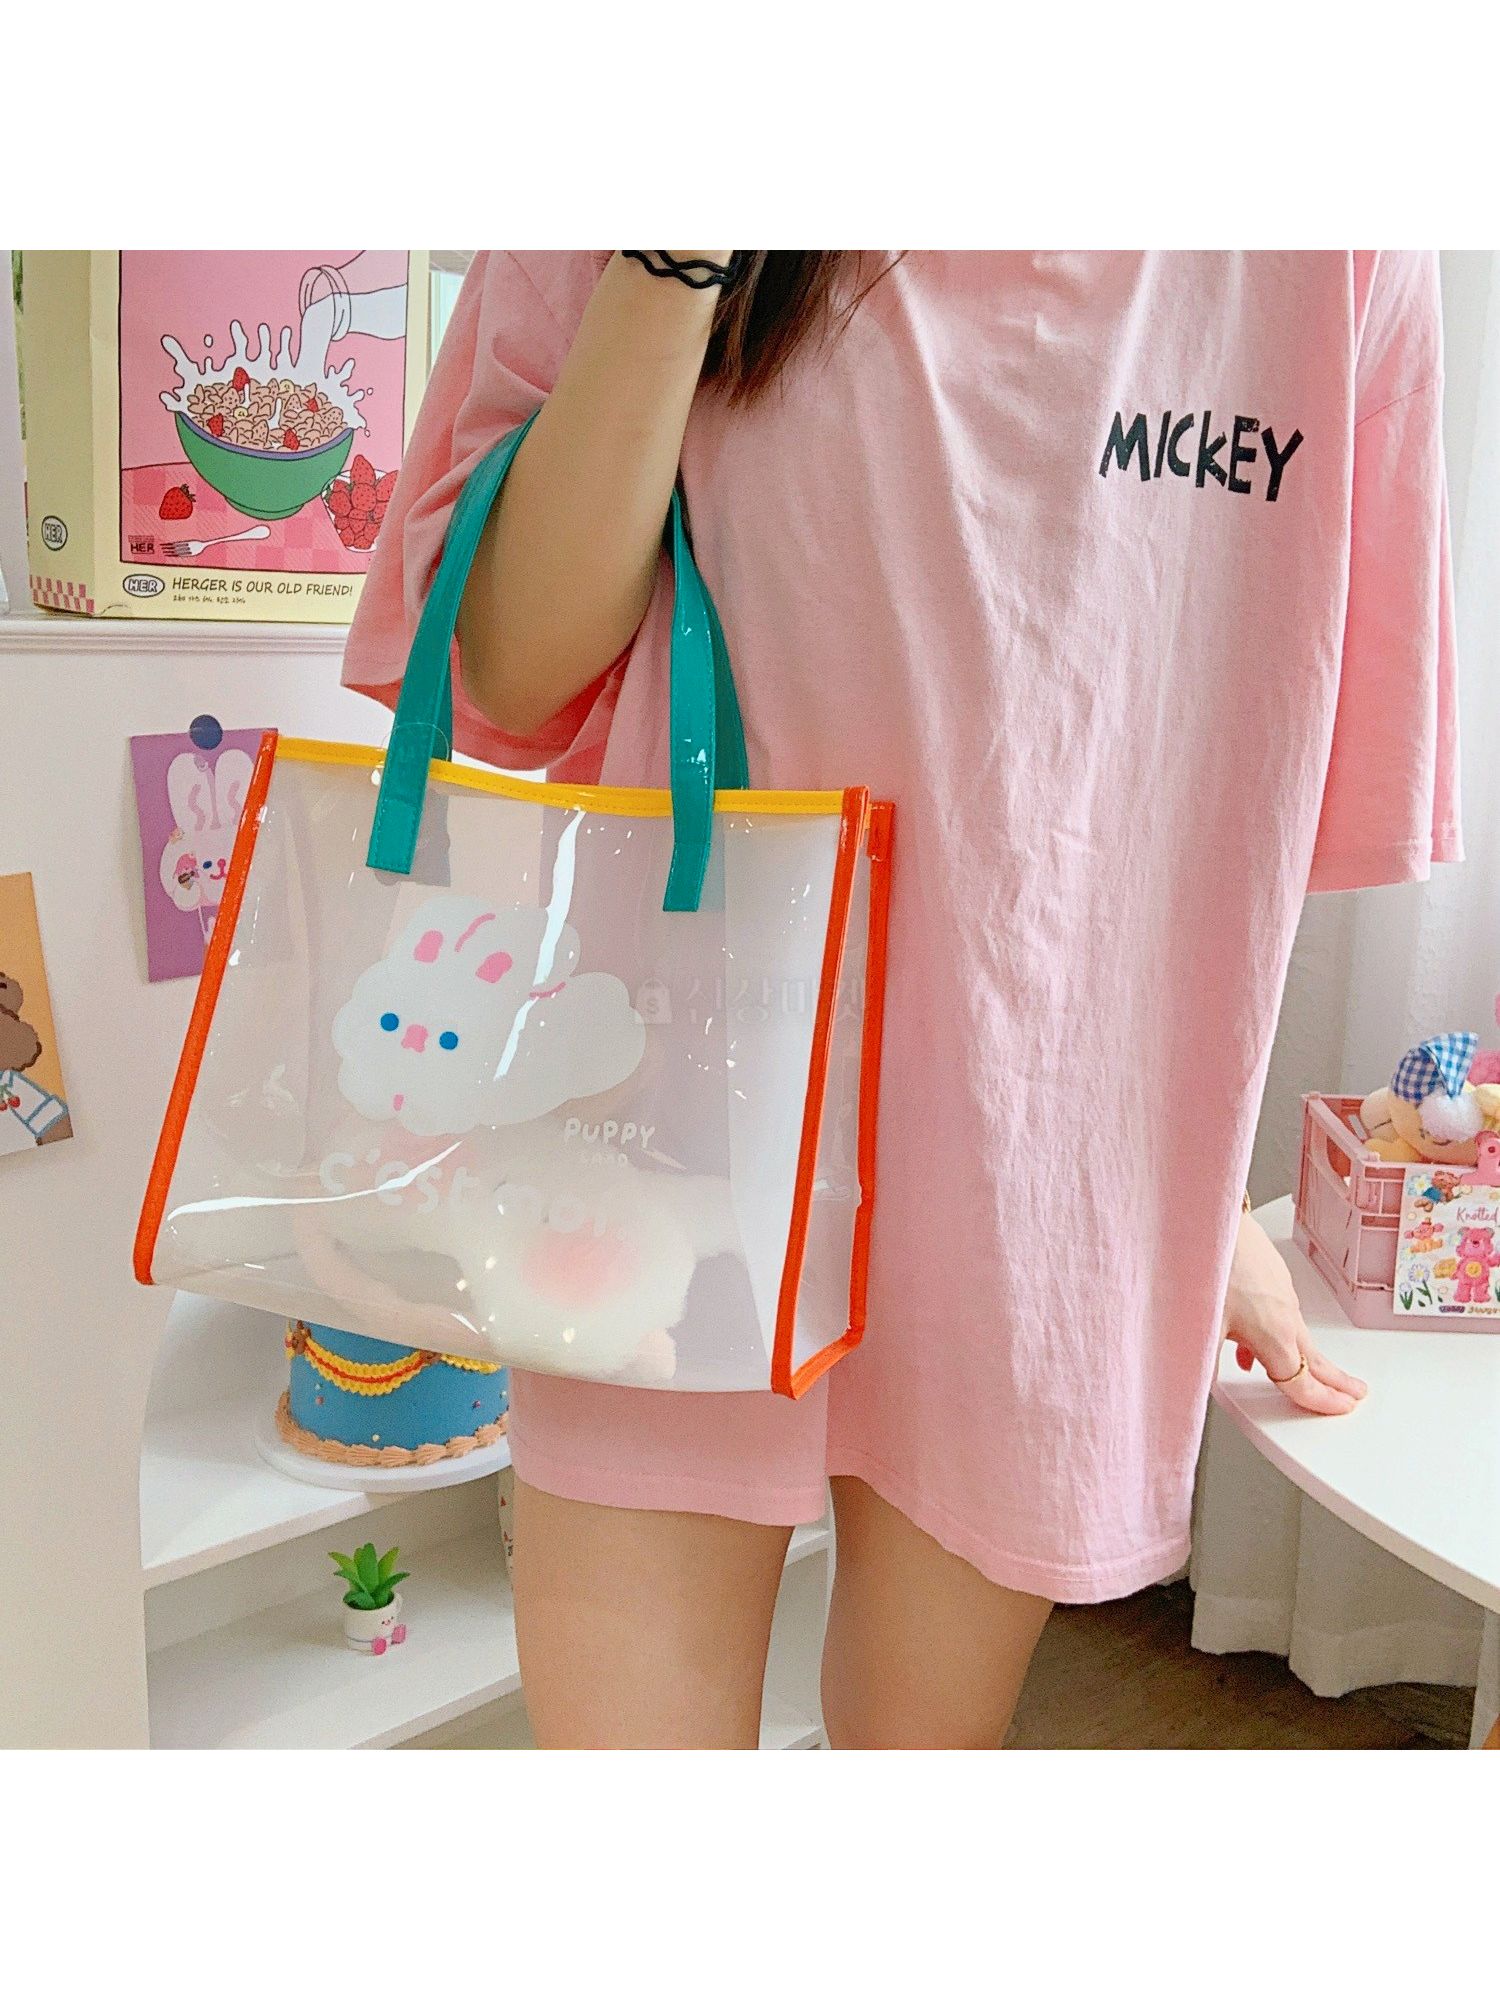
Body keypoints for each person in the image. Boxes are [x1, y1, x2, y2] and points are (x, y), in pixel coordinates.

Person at [342, 251, 1458, 1748]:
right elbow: (510, 668)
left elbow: (1217, 799)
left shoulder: (1338, 249)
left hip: (1042, 1163)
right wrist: (673, 254)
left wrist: (1192, 1201)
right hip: (666, 1126)